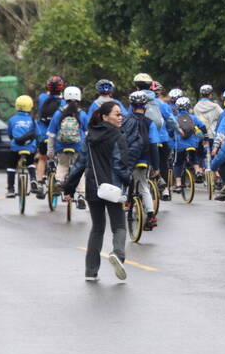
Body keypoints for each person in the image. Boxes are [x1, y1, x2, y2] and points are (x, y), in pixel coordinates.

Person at [63, 101, 130, 282]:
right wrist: (128, 182)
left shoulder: (90, 136)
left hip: (94, 188)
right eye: (117, 114)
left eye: (121, 114)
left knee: (97, 229)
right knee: (119, 227)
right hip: (113, 189)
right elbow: (120, 165)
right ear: (105, 116)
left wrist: (69, 187)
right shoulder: (117, 136)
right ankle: (117, 254)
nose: (120, 117)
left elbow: (80, 164)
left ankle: (91, 272)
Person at [122, 90, 160, 231]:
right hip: (144, 159)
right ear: (145, 107)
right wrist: (156, 167)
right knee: (144, 186)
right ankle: (151, 216)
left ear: (131, 106)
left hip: (128, 158)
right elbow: (153, 145)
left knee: (125, 178)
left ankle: (125, 198)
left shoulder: (125, 121)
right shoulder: (150, 123)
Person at [46, 86, 89, 209]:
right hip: (78, 147)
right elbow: (87, 134)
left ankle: (59, 181)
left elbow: (52, 134)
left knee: (62, 165)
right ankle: (81, 195)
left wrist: (50, 151)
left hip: (61, 146)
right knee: (79, 170)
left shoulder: (58, 113)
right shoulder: (82, 114)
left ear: (65, 97)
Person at [35, 76, 65, 195]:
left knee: (42, 158)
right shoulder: (63, 102)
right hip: (57, 136)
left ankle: (39, 183)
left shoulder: (42, 98)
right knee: (59, 159)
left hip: (43, 134)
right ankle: (57, 180)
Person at [172, 95, 208, 191]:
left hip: (180, 145)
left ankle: (178, 184)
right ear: (188, 107)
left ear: (177, 107)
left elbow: (170, 131)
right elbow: (203, 127)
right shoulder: (193, 118)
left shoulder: (174, 119)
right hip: (193, 144)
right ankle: (197, 171)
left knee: (178, 163)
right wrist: (205, 137)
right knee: (194, 158)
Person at [6, 95, 38, 198]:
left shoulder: (12, 119)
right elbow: (38, 133)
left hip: (16, 147)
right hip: (30, 147)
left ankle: (11, 189)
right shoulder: (32, 120)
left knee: (11, 166)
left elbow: (10, 134)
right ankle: (33, 179)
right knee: (30, 162)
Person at [194, 84, 223, 150]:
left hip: (201, 136)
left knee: (202, 157)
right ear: (210, 95)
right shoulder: (215, 107)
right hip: (213, 135)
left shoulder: (196, 107)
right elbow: (223, 117)